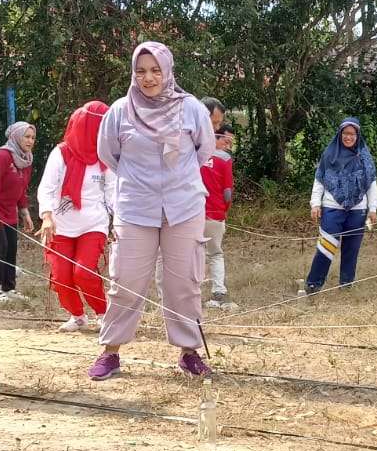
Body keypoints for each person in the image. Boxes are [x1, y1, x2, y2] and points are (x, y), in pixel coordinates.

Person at [88, 41, 215, 381]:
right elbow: (109, 154)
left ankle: (189, 352)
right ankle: (111, 351)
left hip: (184, 206)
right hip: (136, 207)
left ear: (168, 71)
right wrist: (142, 180)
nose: (148, 78)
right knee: (126, 280)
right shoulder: (120, 110)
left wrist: (174, 180)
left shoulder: (191, 109)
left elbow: (204, 151)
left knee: (184, 282)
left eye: (155, 70)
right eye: (141, 71)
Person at [39, 101, 115, 332]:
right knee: (61, 275)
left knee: (83, 272)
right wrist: (47, 216)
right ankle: (78, 316)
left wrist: (119, 221)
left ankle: (103, 314)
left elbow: (112, 192)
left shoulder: (106, 156)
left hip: (94, 223)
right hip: (60, 224)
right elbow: (47, 188)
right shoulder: (60, 153)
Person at [305, 117, 377, 294]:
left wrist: (373, 209)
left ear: (357, 135)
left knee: (351, 249)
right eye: (345, 133)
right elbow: (319, 180)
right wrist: (315, 204)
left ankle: (346, 285)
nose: (348, 137)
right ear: (340, 134)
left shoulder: (364, 156)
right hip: (332, 208)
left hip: (358, 210)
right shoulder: (329, 155)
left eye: (352, 134)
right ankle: (313, 284)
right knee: (326, 246)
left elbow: (371, 183)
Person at [0, 121, 36, 300]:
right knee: (0, 248)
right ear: (16, 137)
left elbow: (22, 188)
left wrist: (25, 213)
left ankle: (9, 288)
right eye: (27, 137)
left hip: (11, 212)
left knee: (11, 249)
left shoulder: (27, 158)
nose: (30, 141)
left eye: (32, 138)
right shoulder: (3, 155)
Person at [201, 122, 236, 309]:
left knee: (192, 253)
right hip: (215, 212)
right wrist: (225, 210)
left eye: (230, 142)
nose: (227, 144)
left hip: (191, 212)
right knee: (215, 253)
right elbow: (227, 191)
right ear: (215, 136)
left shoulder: (194, 152)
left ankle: (189, 291)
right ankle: (219, 290)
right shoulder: (225, 159)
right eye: (225, 140)